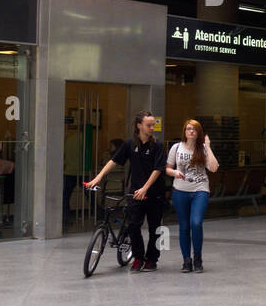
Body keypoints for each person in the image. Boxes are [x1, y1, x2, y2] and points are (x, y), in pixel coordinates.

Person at [84, 111, 168, 273]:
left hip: (154, 194)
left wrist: (145, 188)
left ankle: (151, 259)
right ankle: (138, 257)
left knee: (154, 228)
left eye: (153, 125)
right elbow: (114, 161)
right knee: (133, 226)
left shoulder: (157, 146)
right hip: (135, 193)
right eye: (148, 125)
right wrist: (98, 177)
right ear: (139, 125)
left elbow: (158, 169)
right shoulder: (130, 144)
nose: (152, 128)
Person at [166, 119, 219, 273]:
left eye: (194, 129)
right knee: (184, 226)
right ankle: (186, 260)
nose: (190, 131)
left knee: (196, 223)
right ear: (184, 131)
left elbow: (214, 168)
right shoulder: (176, 148)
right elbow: (167, 168)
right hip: (180, 190)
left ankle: (197, 258)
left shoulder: (202, 148)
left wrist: (208, 147)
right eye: (188, 129)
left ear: (198, 133)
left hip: (200, 190)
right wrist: (175, 172)